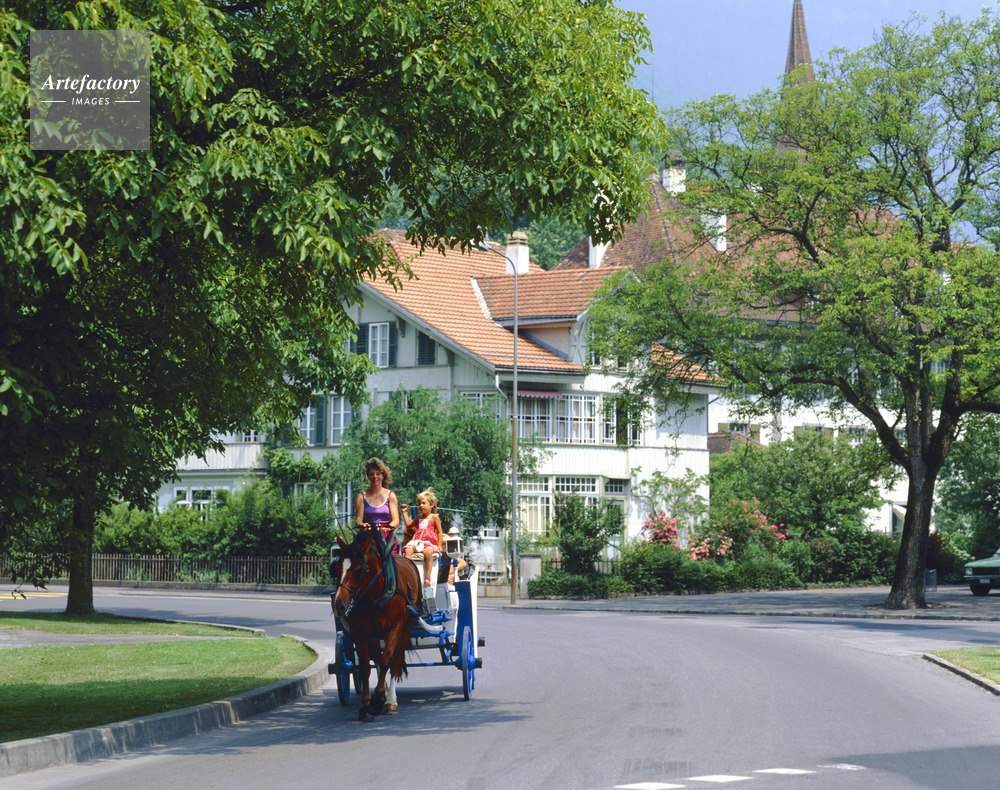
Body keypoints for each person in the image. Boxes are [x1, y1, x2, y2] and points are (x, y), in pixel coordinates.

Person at [401, 489, 446, 586]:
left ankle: (427, 577)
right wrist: (404, 512)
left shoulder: (434, 517)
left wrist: (439, 545)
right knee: (408, 550)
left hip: (428, 542)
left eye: (424, 503)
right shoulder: (419, 517)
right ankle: (408, 573)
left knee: (428, 552)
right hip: (417, 541)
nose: (421, 506)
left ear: (431, 505)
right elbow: (409, 524)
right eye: (419, 504)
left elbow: (439, 532)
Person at [355, 457, 400, 549]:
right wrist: (362, 525)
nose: (375, 477)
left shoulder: (390, 495)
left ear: (382, 476)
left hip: (386, 535)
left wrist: (388, 528)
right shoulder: (361, 496)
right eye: (372, 474)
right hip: (367, 535)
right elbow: (358, 519)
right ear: (368, 476)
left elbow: (396, 520)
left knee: (390, 555)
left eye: (378, 474)